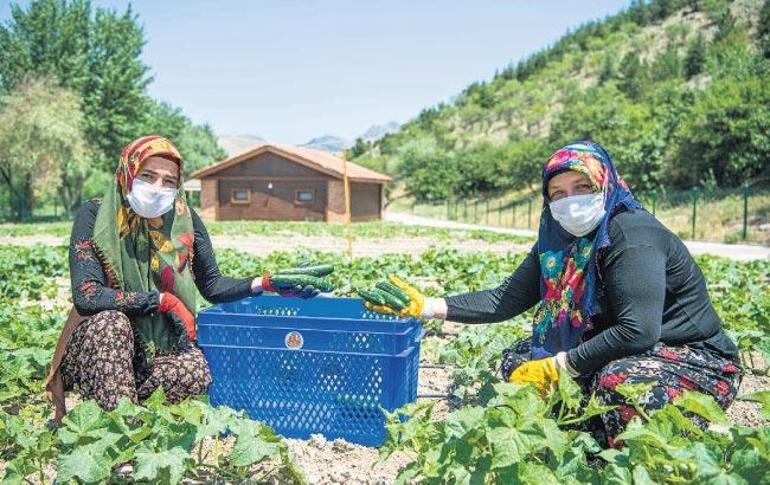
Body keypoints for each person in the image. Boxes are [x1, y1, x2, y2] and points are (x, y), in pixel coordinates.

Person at [362, 140, 742, 446]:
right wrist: (427, 306)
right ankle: (586, 431)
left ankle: (639, 451)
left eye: (582, 187)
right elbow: (505, 299)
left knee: (619, 381)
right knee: (518, 360)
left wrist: (561, 366)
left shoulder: (632, 235)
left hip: (690, 357)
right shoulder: (558, 240)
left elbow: (638, 331)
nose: (569, 201)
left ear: (605, 185)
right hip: (621, 346)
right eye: (557, 193)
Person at [46, 135, 332, 422]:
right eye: (148, 176)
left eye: (169, 181)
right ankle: (122, 436)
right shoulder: (95, 214)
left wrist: (265, 283)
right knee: (112, 322)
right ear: (128, 171)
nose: (158, 188)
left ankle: (121, 401)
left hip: (150, 354)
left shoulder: (185, 218)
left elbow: (212, 284)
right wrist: (161, 301)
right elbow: (88, 296)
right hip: (98, 347)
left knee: (196, 374)